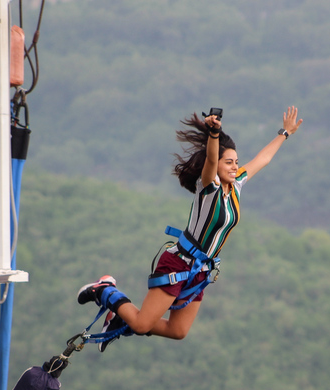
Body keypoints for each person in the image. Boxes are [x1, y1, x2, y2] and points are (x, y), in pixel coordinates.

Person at [77, 106, 303, 351]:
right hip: (179, 263)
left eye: (236, 162)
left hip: (201, 270)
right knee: (143, 325)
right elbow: (211, 160)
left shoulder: (236, 184)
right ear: (217, 164)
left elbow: (263, 159)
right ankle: (105, 290)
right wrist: (214, 135)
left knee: (178, 331)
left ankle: (121, 319)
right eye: (228, 162)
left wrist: (285, 132)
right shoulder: (208, 188)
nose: (233, 167)